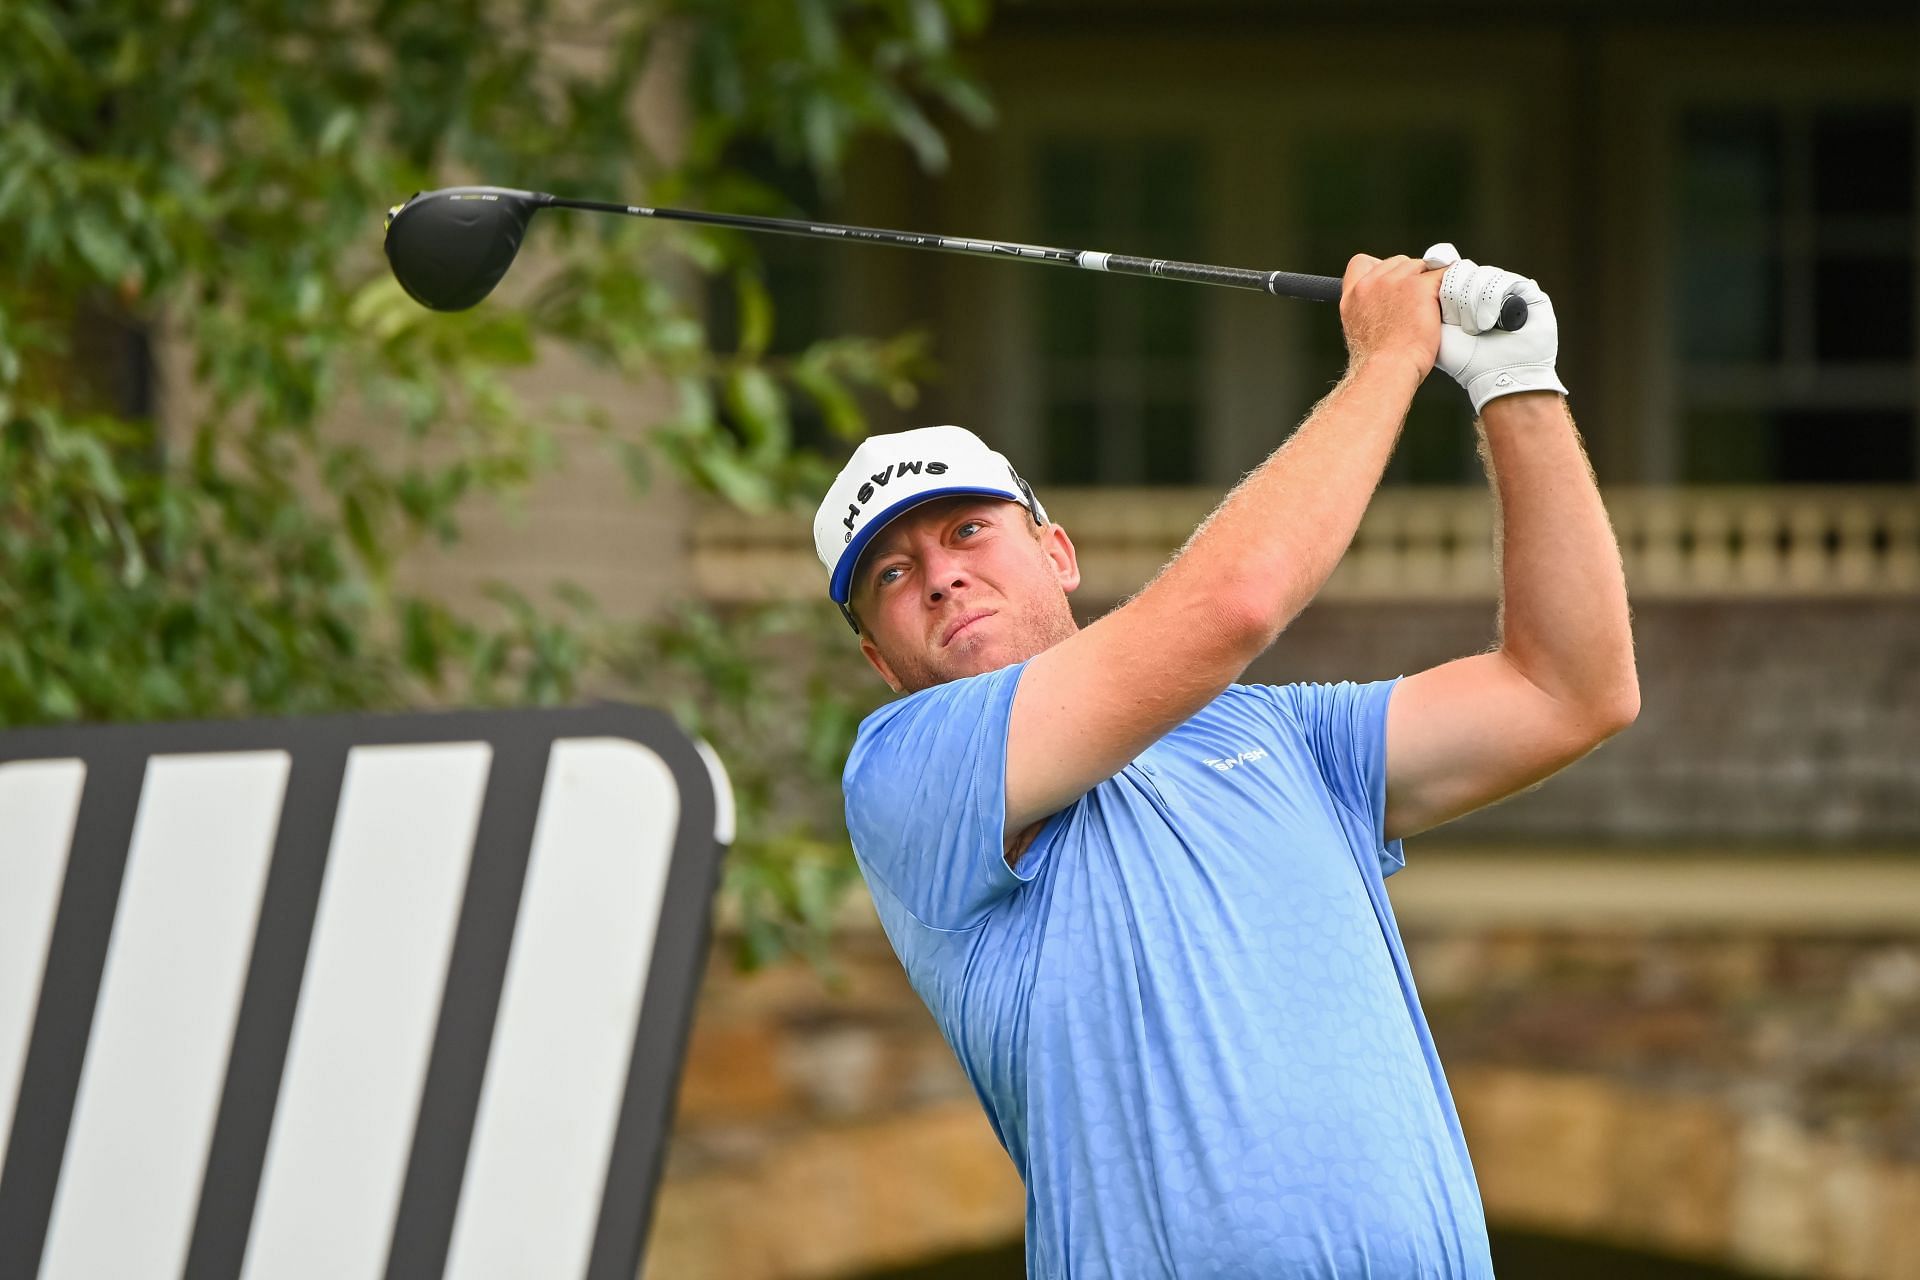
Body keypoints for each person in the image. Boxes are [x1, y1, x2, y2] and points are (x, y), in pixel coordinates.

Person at [810, 246, 1638, 1279]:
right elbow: (1235, 604)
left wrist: (1514, 384)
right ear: (880, 660)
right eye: (894, 571)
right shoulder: (906, 771)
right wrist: (1389, 359)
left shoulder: (1290, 738)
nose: (941, 576)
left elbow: (1571, 689)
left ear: (1056, 552)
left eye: (969, 528)